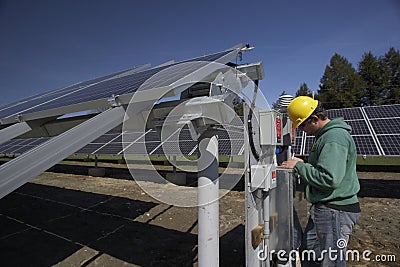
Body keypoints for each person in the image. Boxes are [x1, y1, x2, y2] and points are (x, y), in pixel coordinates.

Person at [280, 96, 361, 267]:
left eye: (302, 125)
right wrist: (304, 164)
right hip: (325, 208)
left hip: (336, 210)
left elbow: (329, 178)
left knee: (330, 260)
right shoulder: (324, 136)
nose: (301, 130)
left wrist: (300, 167)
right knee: (310, 251)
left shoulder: (333, 137)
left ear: (315, 119)